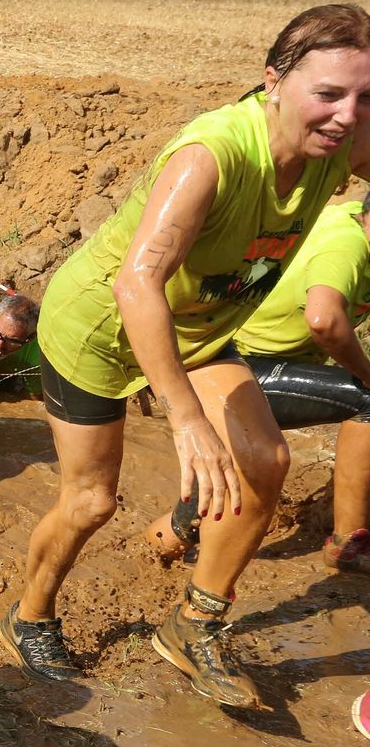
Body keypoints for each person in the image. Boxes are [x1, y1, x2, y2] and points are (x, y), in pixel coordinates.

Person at [1, 4, 370, 708]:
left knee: (264, 462)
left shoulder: (343, 141)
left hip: (198, 327)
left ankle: (193, 625)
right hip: (102, 327)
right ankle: (29, 615)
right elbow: (137, 282)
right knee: (91, 501)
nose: (347, 115)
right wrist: (186, 418)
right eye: (328, 93)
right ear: (274, 81)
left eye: (366, 97)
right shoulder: (212, 156)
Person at [146, 197, 370, 573]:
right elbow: (324, 320)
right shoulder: (346, 245)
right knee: (367, 398)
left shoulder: (352, 221)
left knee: (219, 479)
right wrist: (366, 371)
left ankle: (159, 546)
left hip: (238, 357)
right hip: (237, 364)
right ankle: (347, 545)